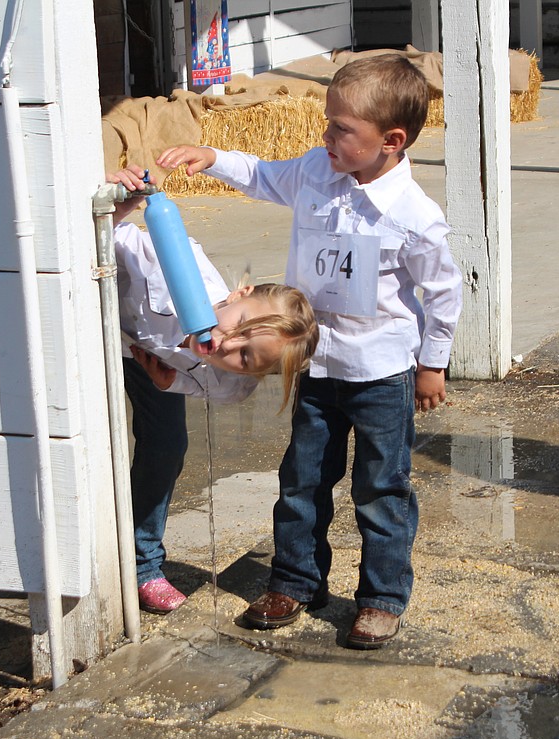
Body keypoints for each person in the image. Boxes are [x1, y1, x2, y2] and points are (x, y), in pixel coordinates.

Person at [157, 53, 463, 649]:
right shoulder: (316, 174)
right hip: (316, 368)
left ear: (391, 141)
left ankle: (380, 597)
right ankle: (295, 582)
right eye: (328, 122)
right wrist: (213, 158)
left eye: (342, 129)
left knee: (381, 488)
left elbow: (444, 290)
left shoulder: (414, 216)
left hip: (381, 373)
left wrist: (432, 363)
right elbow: (263, 174)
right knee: (301, 481)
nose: (326, 136)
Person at [107, 165, 319, 615]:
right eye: (239, 324)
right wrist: (117, 204)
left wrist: (173, 379)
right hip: (91, 334)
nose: (226, 345)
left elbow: (203, 383)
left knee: (166, 446)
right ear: (236, 294)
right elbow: (107, 235)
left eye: (245, 357)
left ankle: (143, 565)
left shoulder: (233, 385)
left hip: (147, 364)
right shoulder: (171, 259)